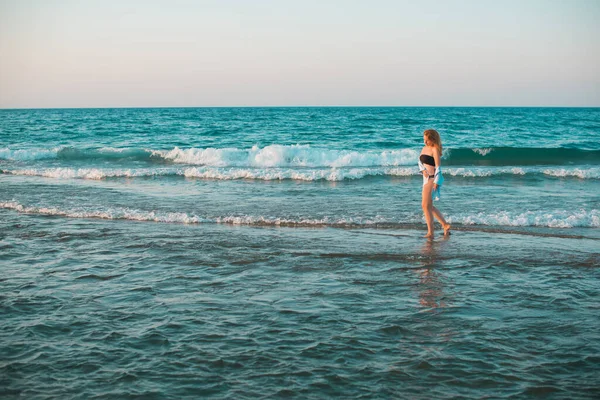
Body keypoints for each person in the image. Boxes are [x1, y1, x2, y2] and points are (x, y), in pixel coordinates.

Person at [418, 129, 451, 238]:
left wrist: (437, 182)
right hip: (425, 180)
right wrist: (422, 170)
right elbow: (420, 162)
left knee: (425, 206)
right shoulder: (424, 148)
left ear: (433, 139)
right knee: (429, 206)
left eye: (427, 140)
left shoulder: (434, 150)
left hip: (432, 179)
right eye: (424, 140)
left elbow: (438, 167)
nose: (425, 142)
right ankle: (445, 225)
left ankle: (430, 232)